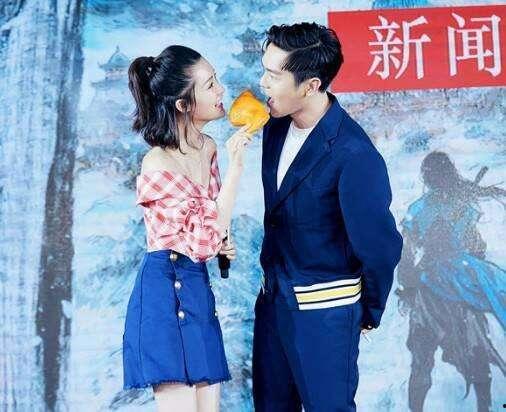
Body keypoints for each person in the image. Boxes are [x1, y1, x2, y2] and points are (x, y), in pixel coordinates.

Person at [252, 22, 403, 411]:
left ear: (311, 85)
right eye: (264, 70)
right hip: (272, 305)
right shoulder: (274, 126)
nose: (263, 82)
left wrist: (365, 312)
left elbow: (380, 248)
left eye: (273, 75)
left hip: (326, 315)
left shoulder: (354, 154)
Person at [122, 44, 252, 412]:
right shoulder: (157, 163)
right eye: (210, 85)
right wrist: (237, 168)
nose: (221, 90)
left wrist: (224, 242)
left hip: (196, 286)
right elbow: (200, 241)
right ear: (183, 104)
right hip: (164, 292)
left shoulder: (208, 147)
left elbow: (212, 224)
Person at [396, 151, 506, 412]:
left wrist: (408, 287)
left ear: (427, 178)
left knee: (423, 360)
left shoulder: (418, 209)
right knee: (475, 352)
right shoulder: (458, 204)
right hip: (457, 284)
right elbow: (477, 246)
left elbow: (405, 256)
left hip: (432, 287)